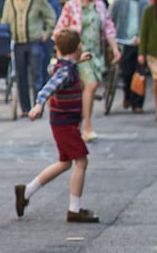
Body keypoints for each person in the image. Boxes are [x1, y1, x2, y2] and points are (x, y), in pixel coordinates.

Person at [14, 29, 99, 223]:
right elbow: (49, 87)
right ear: (79, 47)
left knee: (65, 162)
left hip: (62, 122)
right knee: (81, 161)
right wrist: (38, 104)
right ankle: (74, 209)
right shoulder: (66, 71)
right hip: (65, 124)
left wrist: (77, 60)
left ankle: (26, 191)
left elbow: (58, 71)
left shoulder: (63, 66)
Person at [55, 0, 120, 142]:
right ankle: (88, 126)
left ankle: (80, 125)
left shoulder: (99, 5)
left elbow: (108, 28)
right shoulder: (71, 6)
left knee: (87, 90)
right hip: (78, 53)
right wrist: (61, 53)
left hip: (95, 54)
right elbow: (59, 30)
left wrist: (115, 49)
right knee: (90, 85)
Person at [1, 0, 57, 112]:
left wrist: (47, 33)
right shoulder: (10, 1)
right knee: (20, 76)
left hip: (34, 41)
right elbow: (4, 22)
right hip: (18, 43)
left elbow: (51, 16)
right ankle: (25, 108)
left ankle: (38, 106)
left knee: (36, 75)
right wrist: (5, 43)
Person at [108, 0, 149, 113]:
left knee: (140, 74)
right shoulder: (119, 2)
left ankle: (137, 103)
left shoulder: (145, 4)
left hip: (139, 42)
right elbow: (109, 19)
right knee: (126, 73)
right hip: (123, 41)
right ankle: (127, 94)